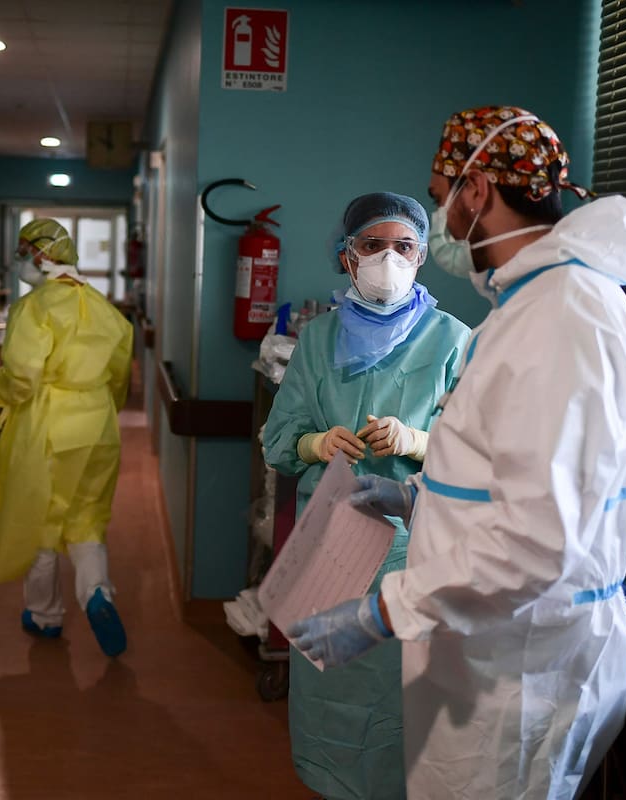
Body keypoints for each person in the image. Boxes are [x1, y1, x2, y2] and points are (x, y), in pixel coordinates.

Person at [288, 106, 626, 798]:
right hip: (494, 651)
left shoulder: (563, 317)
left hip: (520, 668)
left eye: (440, 197)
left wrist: (381, 611)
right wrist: (415, 497)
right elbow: (511, 472)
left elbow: (539, 542)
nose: (442, 224)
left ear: (477, 190)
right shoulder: (532, 308)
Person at [262, 193, 470, 800]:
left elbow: (484, 455)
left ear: (422, 256)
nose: (388, 260)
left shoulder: (453, 341)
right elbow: (279, 440)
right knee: (332, 686)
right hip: (331, 544)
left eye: (403, 247)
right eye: (372, 246)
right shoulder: (319, 338)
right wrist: (314, 445)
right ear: (347, 256)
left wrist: (418, 440)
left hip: (418, 547)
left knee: (405, 693)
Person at [0, 219, 134, 657]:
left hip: (49, 424)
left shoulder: (35, 308)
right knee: (88, 518)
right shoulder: (103, 307)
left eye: (23, 251)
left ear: (41, 255)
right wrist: (103, 410)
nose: (20, 262)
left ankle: (45, 615)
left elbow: (22, 378)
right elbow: (120, 377)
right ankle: (97, 594)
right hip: (99, 424)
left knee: (43, 520)